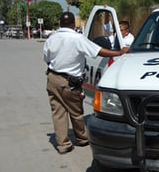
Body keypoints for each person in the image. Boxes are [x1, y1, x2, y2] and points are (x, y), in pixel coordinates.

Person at [43, 11, 129, 154]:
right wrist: (119, 53)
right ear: (73, 24)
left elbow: (46, 58)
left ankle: (63, 144)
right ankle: (82, 139)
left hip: (53, 78)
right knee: (76, 112)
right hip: (70, 81)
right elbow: (98, 51)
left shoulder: (51, 38)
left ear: (60, 24)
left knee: (58, 112)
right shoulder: (77, 39)